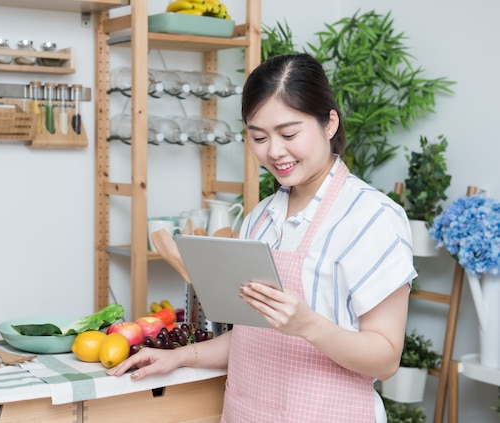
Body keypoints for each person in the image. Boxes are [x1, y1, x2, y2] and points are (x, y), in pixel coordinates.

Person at [107, 53, 416, 422]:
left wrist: (308, 325)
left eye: (289, 134)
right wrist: (179, 356)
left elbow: (385, 358)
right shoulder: (259, 219)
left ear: (329, 123)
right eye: (258, 136)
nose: (274, 151)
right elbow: (253, 338)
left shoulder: (372, 218)